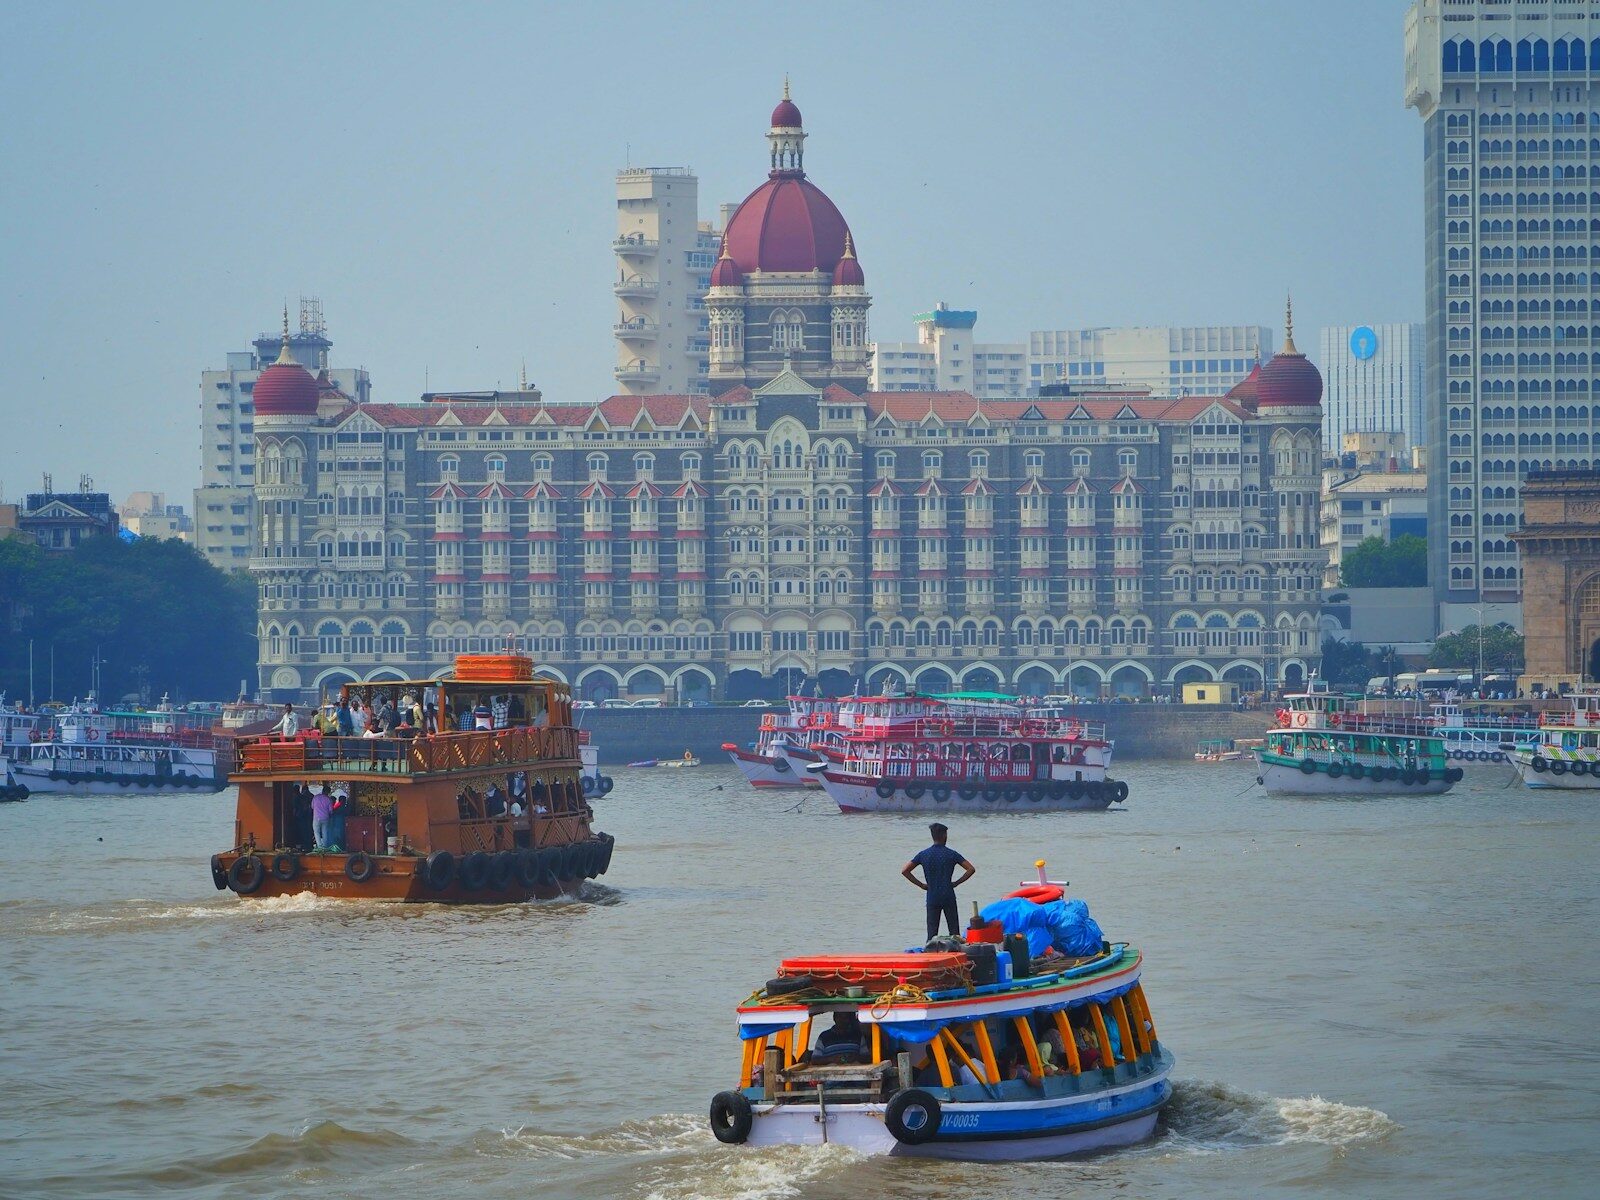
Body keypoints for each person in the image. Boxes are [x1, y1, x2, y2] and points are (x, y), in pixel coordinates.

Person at [902, 822, 975, 942]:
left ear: (933, 836)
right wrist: (956, 883)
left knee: (932, 934)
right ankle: (955, 951)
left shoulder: (923, 854)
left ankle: (930, 951)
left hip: (932, 896)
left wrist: (922, 885)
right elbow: (971, 869)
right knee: (954, 933)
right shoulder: (952, 854)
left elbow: (905, 871)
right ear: (944, 835)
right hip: (948, 895)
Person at [311, 785, 334, 850]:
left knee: (316, 832)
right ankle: (325, 847)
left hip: (316, 818)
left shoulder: (315, 797)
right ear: (328, 792)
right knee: (325, 832)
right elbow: (331, 811)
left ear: (323, 790)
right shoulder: (328, 799)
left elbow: (312, 807)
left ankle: (320, 847)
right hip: (325, 818)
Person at [328, 785, 349, 851]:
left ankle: (340, 848)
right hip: (338, 825)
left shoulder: (341, 808)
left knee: (340, 837)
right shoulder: (339, 807)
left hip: (341, 825)